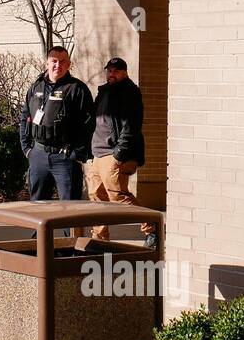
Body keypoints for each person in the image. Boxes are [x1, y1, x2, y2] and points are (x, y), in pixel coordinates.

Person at [87, 57, 158, 247]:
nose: (112, 74)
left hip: (114, 154)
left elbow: (132, 125)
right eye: (109, 70)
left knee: (118, 196)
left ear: (124, 72)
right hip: (98, 152)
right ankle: (99, 239)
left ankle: (152, 229)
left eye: (116, 71)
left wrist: (119, 153)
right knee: (96, 195)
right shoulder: (103, 91)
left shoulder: (129, 92)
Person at [20, 46, 95, 204]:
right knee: (38, 206)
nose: (57, 65)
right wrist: (27, 148)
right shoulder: (35, 87)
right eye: (54, 61)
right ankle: (39, 231)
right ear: (47, 63)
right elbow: (25, 116)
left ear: (68, 64)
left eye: (62, 62)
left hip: (65, 158)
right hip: (38, 155)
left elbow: (88, 124)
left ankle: (70, 231)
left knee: (70, 209)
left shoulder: (77, 89)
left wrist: (77, 153)